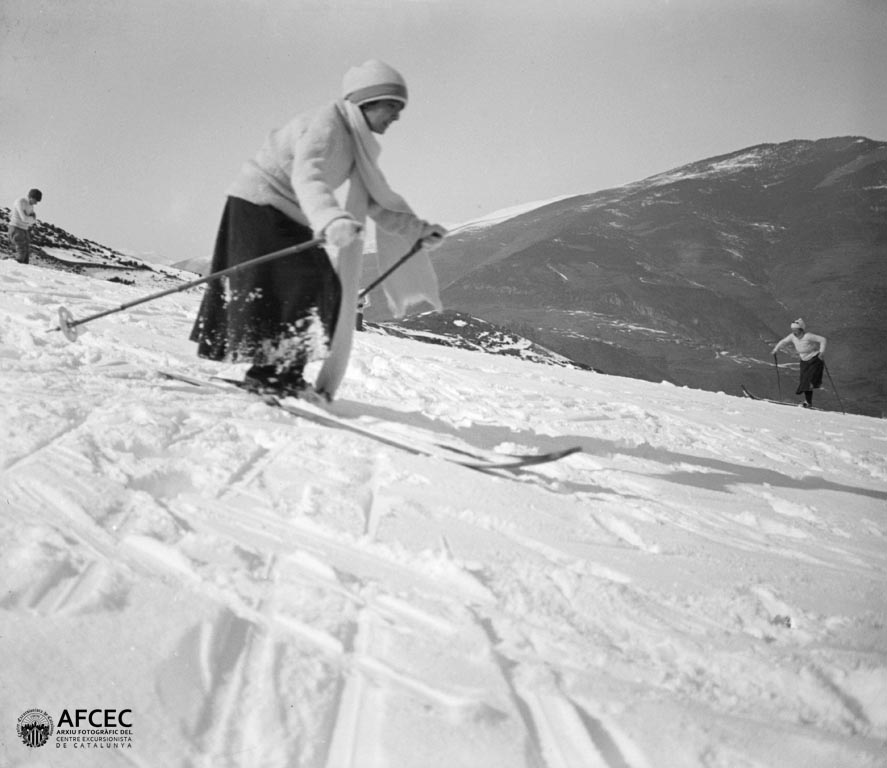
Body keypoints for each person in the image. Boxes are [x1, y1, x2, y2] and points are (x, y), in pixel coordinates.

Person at [190, 59, 447, 399]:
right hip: (258, 203)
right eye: (392, 106)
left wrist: (415, 230)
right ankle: (270, 375)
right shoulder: (327, 126)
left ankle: (282, 373)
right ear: (367, 101)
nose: (397, 116)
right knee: (304, 283)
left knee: (321, 284)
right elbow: (307, 175)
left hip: (288, 211)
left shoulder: (355, 141)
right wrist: (332, 219)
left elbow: (375, 201)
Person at [771, 318, 827, 407]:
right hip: (804, 361)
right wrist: (775, 350)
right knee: (804, 381)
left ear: (801, 330)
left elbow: (823, 339)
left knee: (808, 381)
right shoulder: (792, 336)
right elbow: (783, 341)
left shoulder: (808, 336)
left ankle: (808, 402)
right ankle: (808, 402)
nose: (794, 332)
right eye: (793, 330)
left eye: (796, 330)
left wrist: (821, 352)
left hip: (815, 359)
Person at [7, 189, 42, 264]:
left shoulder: (31, 206)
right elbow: (25, 218)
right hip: (16, 228)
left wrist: (30, 219)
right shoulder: (20, 202)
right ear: (31, 197)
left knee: (26, 253)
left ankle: (22, 268)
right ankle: (12, 265)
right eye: (36, 200)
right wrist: (30, 218)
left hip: (24, 229)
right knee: (22, 250)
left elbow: (32, 221)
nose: (36, 203)